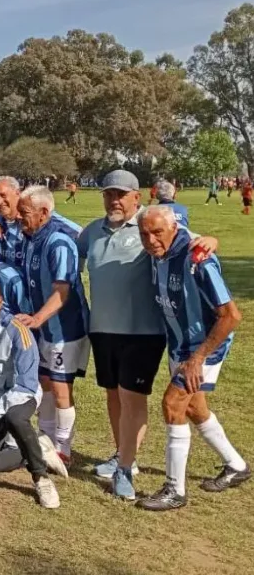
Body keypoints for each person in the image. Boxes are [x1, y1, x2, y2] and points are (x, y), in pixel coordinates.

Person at [78, 170, 217, 497]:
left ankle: (125, 470)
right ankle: (122, 454)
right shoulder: (91, 231)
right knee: (113, 395)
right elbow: (63, 237)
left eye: (121, 194)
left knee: (131, 397)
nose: (114, 200)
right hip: (102, 329)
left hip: (142, 332)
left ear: (136, 197)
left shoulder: (149, 224)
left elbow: (189, 239)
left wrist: (212, 240)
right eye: (109, 194)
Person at [137, 206, 249, 510]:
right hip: (180, 344)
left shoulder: (198, 260)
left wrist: (198, 358)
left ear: (173, 229)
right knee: (195, 408)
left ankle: (175, 490)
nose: (150, 240)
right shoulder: (157, 252)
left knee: (172, 404)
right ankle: (236, 465)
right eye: (144, 234)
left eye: (157, 232)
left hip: (204, 347)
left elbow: (231, 316)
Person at [0, 281, 68, 509]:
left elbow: (26, 385)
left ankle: (40, 477)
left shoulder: (18, 331)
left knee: (15, 417)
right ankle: (37, 448)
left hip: (19, 397)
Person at [15, 186, 90, 467]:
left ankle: (63, 449)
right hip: (45, 327)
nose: (18, 217)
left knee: (60, 387)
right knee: (45, 382)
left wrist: (37, 319)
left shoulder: (58, 242)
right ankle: (45, 440)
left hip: (65, 328)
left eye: (24, 212)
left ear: (44, 212)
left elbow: (62, 291)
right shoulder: (31, 238)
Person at [0, 176, 82, 270]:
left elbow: (80, 235)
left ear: (17, 193)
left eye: (3, 195)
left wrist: (77, 266)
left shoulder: (42, 216)